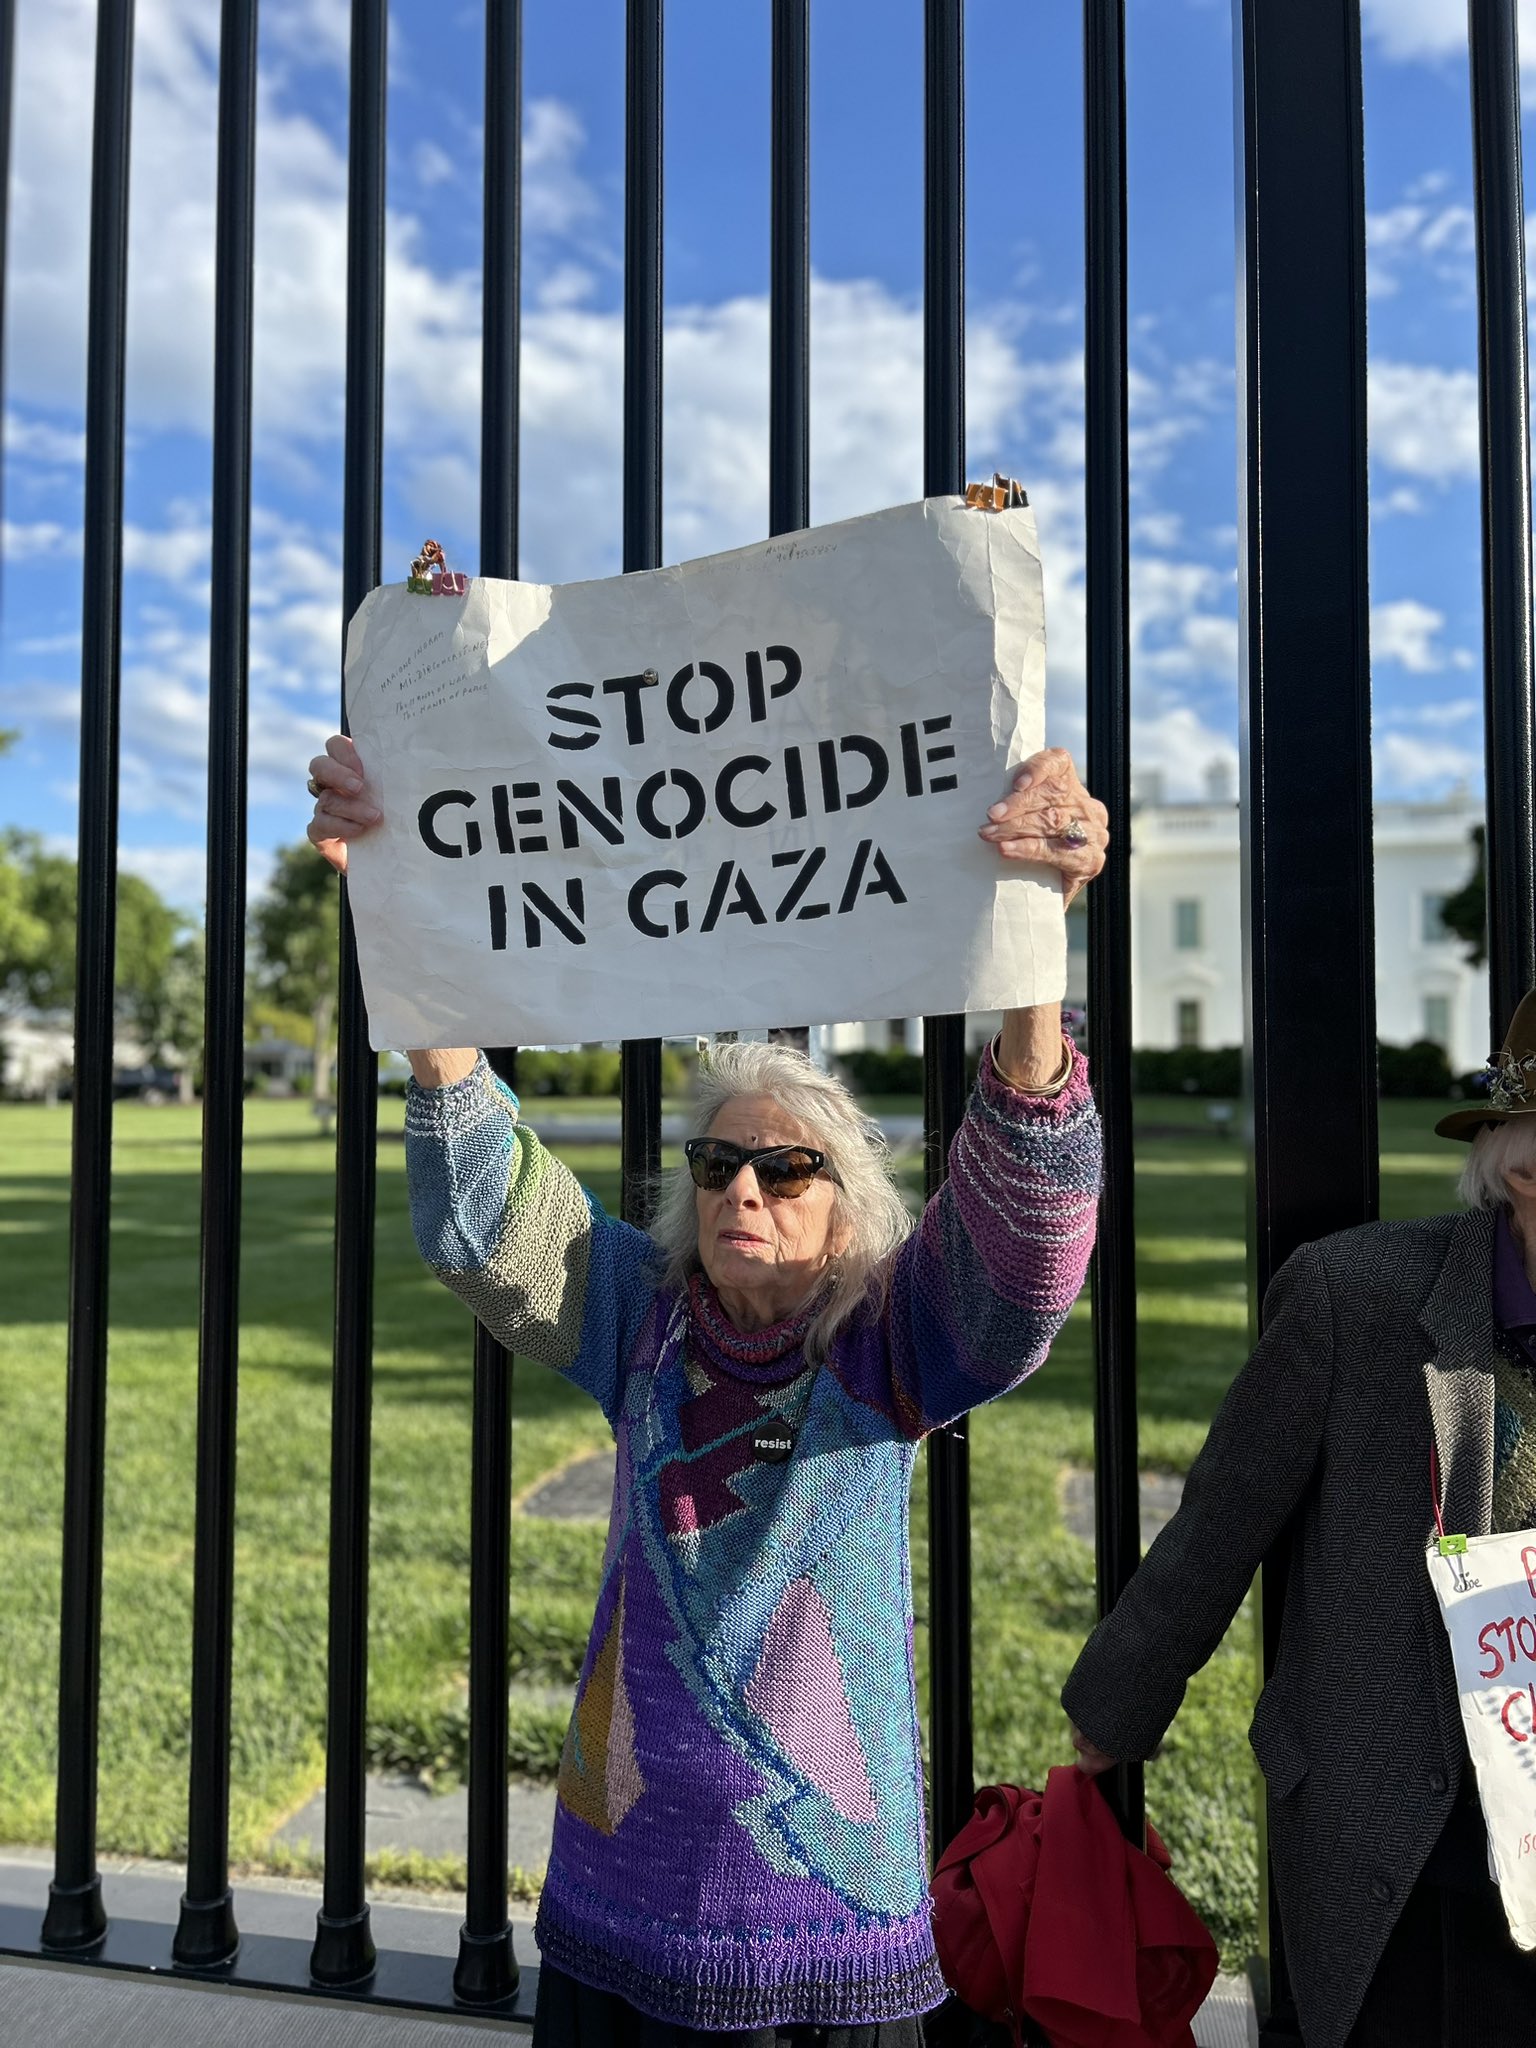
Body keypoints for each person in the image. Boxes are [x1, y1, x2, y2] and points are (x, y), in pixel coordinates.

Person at [307, 733, 1107, 2046]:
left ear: (849, 1211)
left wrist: (1029, 958)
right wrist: (400, 903)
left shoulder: (886, 1344)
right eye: (719, 1160)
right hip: (621, 1884)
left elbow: (1023, 1264)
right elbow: (482, 1216)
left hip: (827, 1918)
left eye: (789, 1169)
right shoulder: (639, 1317)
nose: (744, 1186)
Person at [1062, 992, 1536, 2048]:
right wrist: (1118, 1702)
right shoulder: (1356, 1298)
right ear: (1523, 1171)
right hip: (1410, 1829)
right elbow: (1222, 1516)